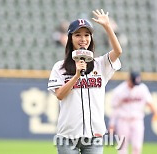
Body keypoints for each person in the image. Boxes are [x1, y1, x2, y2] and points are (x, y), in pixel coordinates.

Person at [48, 9, 122, 154]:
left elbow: (118, 51)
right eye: (78, 35)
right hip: (68, 138)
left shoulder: (101, 64)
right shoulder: (60, 67)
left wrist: (107, 27)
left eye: (87, 35)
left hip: (94, 137)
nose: (83, 39)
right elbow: (59, 95)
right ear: (70, 38)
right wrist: (76, 76)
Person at [108, 72, 157, 154]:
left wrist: (156, 113)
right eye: (133, 82)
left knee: (137, 146)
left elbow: (149, 102)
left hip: (137, 120)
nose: (134, 85)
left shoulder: (142, 88)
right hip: (123, 121)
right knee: (122, 147)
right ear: (129, 79)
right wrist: (112, 124)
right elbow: (115, 109)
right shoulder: (119, 90)